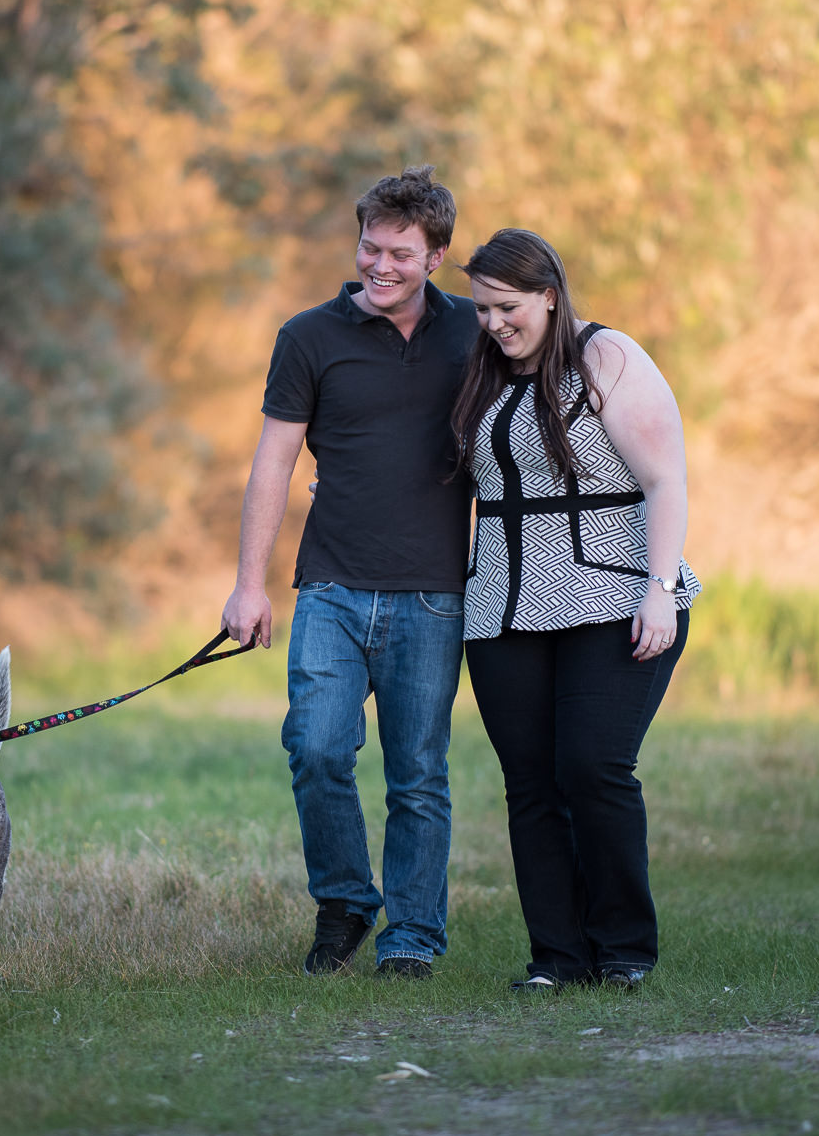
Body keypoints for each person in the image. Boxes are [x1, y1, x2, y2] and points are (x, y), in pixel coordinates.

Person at [220, 166, 475, 979]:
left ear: (436, 255)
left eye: (401, 252)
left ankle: (412, 936)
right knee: (317, 747)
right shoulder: (309, 336)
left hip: (434, 594)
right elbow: (273, 461)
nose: (381, 265)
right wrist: (248, 584)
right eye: (371, 246)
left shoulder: (474, 333)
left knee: (419, 774)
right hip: (329, 586)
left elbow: (554, 356)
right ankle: (344, 900)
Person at [453, 228, 700, 992]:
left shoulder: (608, 357)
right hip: (501, 609)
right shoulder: (481, 375)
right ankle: (557, 959)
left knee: (592, 766)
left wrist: (659, 588)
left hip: (612, 595)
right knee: (530, 785)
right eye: (483, 309)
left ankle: (624, 950)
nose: (494, 323)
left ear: (550, 295)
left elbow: (666, 479)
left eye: (507, 307)